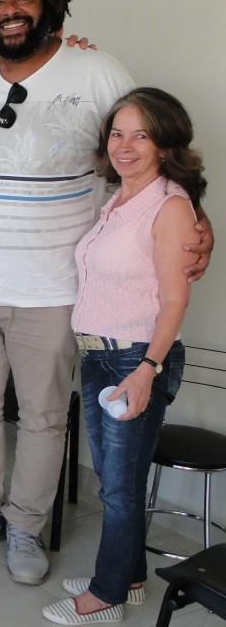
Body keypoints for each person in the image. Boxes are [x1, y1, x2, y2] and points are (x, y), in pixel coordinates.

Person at [0, 0, 213, 586]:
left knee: (44, 416)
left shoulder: (98, 71)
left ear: (49, 1)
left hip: (53, 290)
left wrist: (198, 218)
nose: (11, 10)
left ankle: (24, 525)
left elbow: (150, 150)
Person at [42, 88, 205, 625]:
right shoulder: (119, 198)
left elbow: (175, 300)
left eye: (141, 134)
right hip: (99, 357)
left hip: (134, 359)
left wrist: (147, 369)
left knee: (118, 488)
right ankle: (130, 577)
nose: (126, 145)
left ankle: (106, 596)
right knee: (122, 480)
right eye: (118, 133)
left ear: (164, 143)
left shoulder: (170, 206)